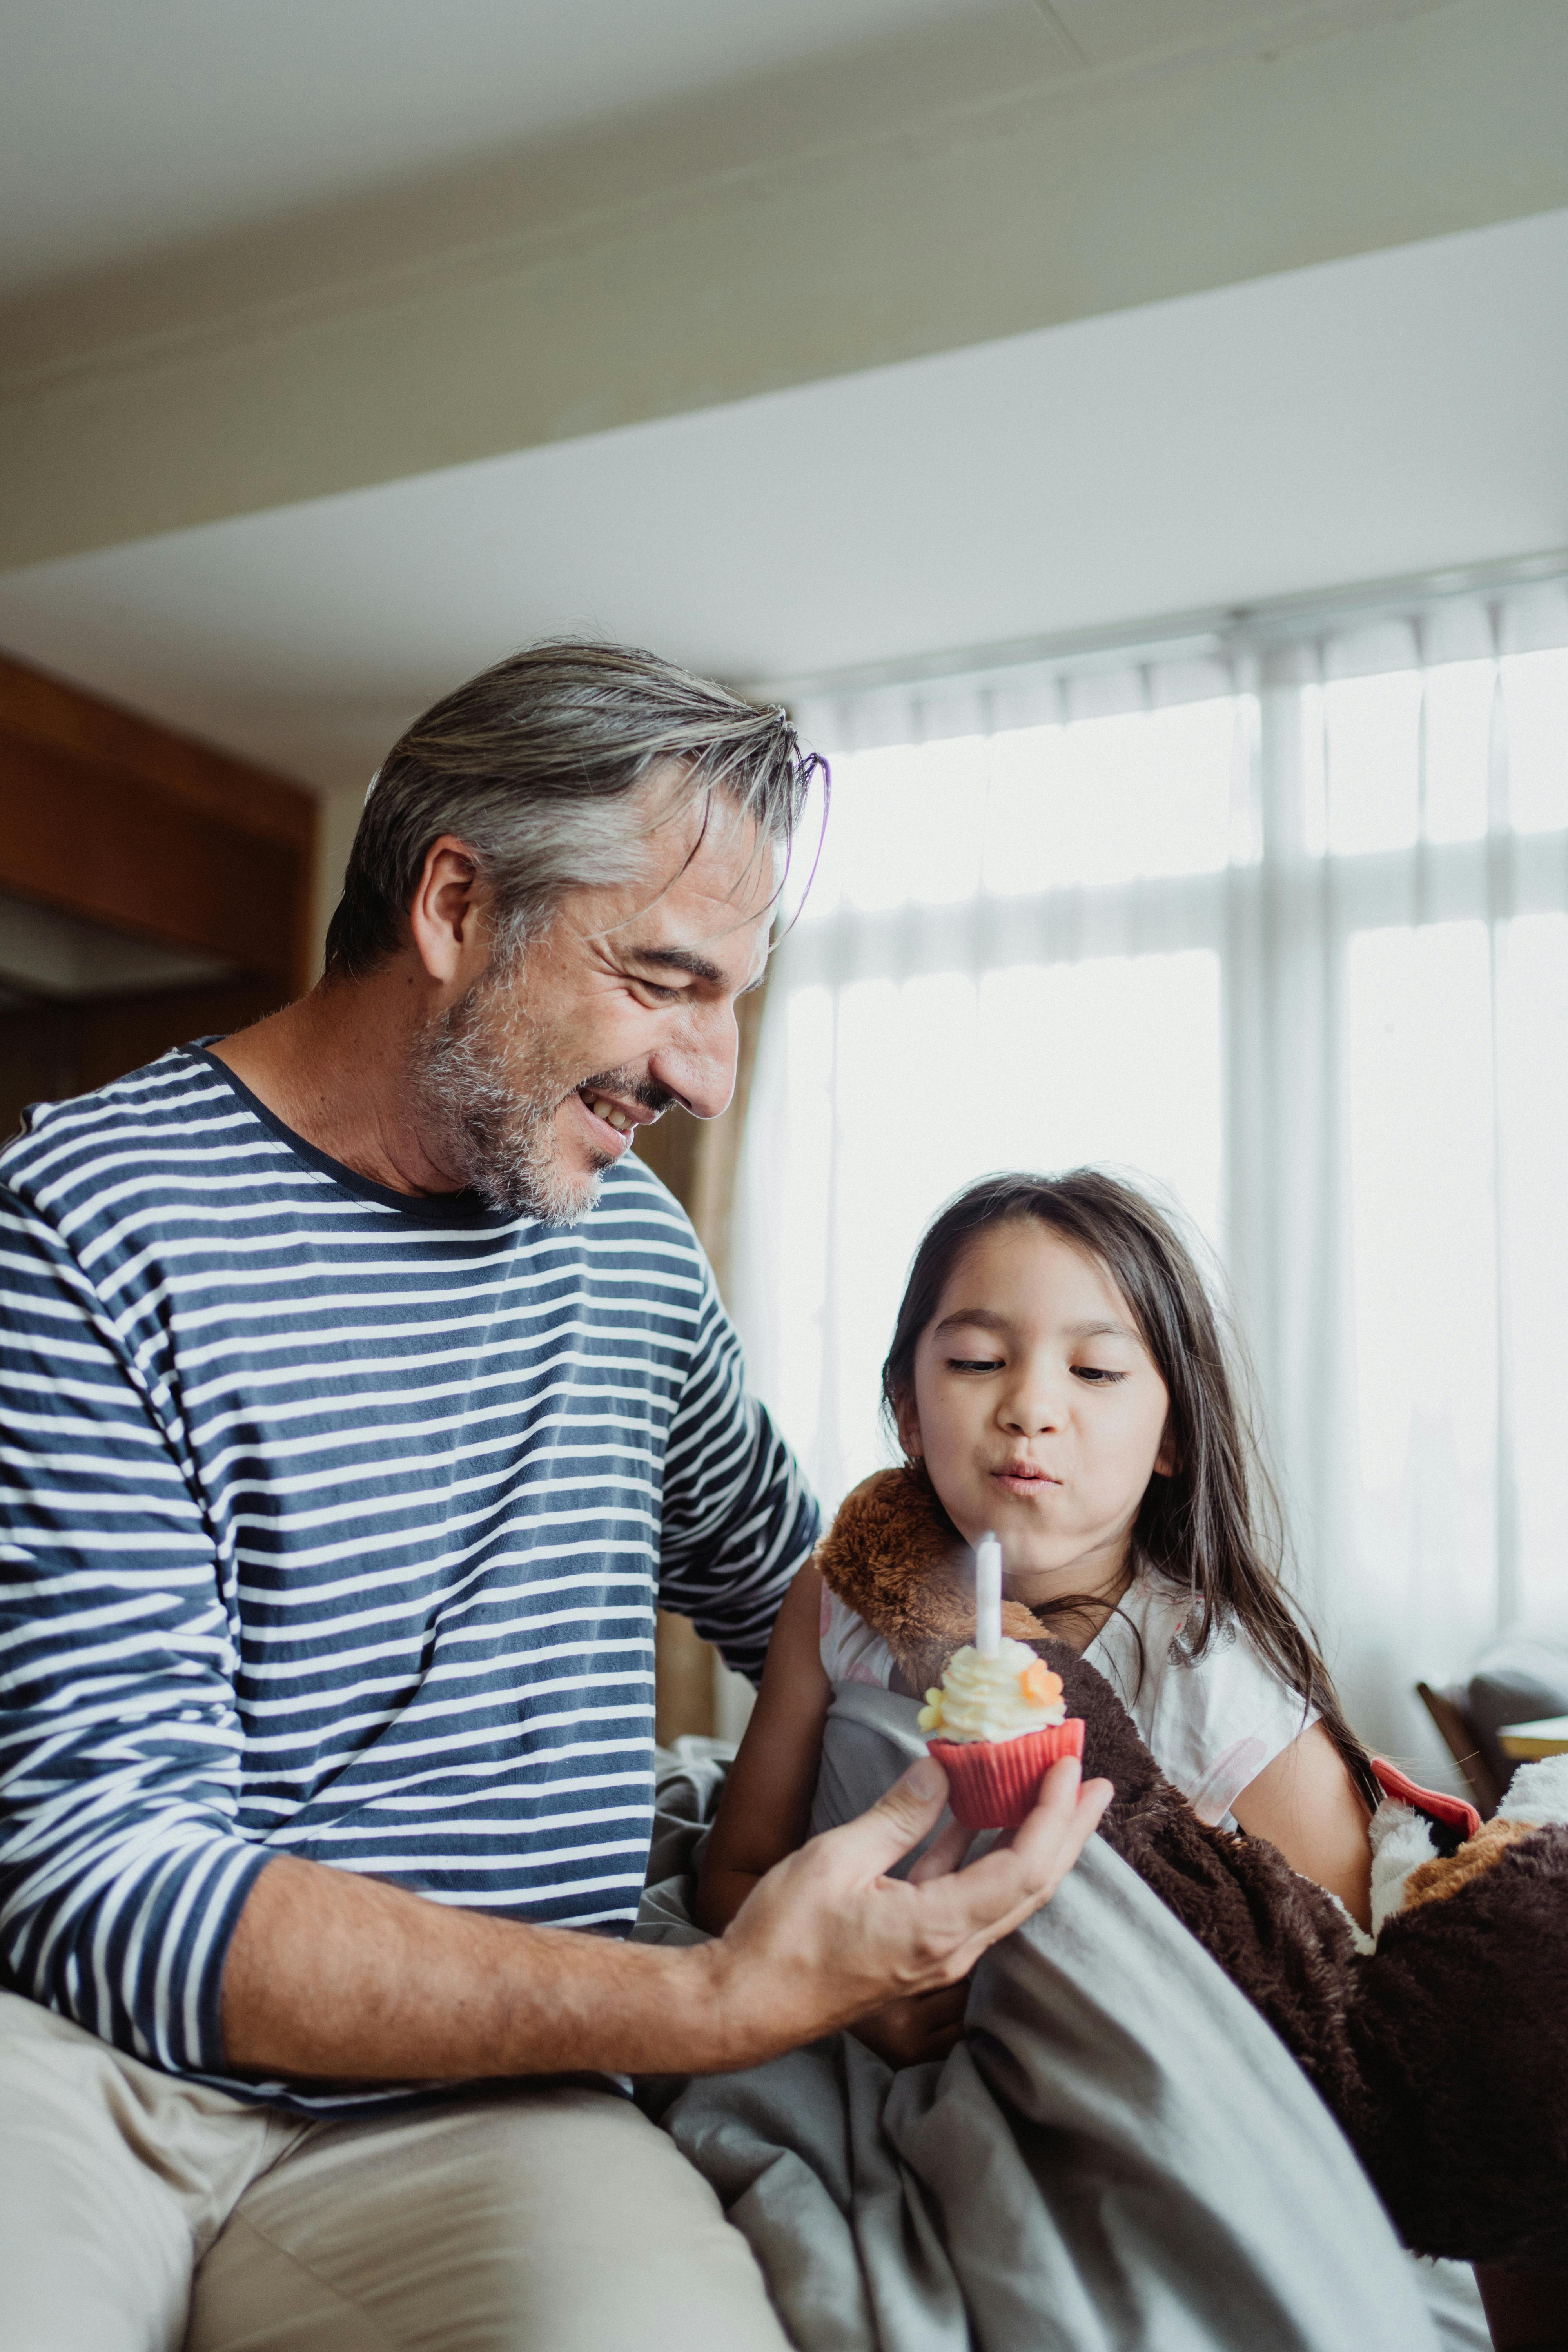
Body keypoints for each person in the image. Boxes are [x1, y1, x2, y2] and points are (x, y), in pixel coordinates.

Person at [0, 647, 1110, 2352]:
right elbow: (105, 1875)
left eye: (733, 996)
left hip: (490, 2104)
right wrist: (710, 1999)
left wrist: (1128, 1650)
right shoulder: (78, 1225)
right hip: (86, 2075)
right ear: (456, 902)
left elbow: (808, 1587)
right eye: (665, 978)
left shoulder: (632, 1260)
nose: (710, 1073)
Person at [698, 1168, 1377, 2067]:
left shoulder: (1224, 1694)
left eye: (1094, 1371)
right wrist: (853, 1999)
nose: (1028, 1409)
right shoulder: (835, 1608)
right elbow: (734, 1876)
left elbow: (1340, 2003)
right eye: (977, 1362)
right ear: (906, 1408)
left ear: (1172, 1435)